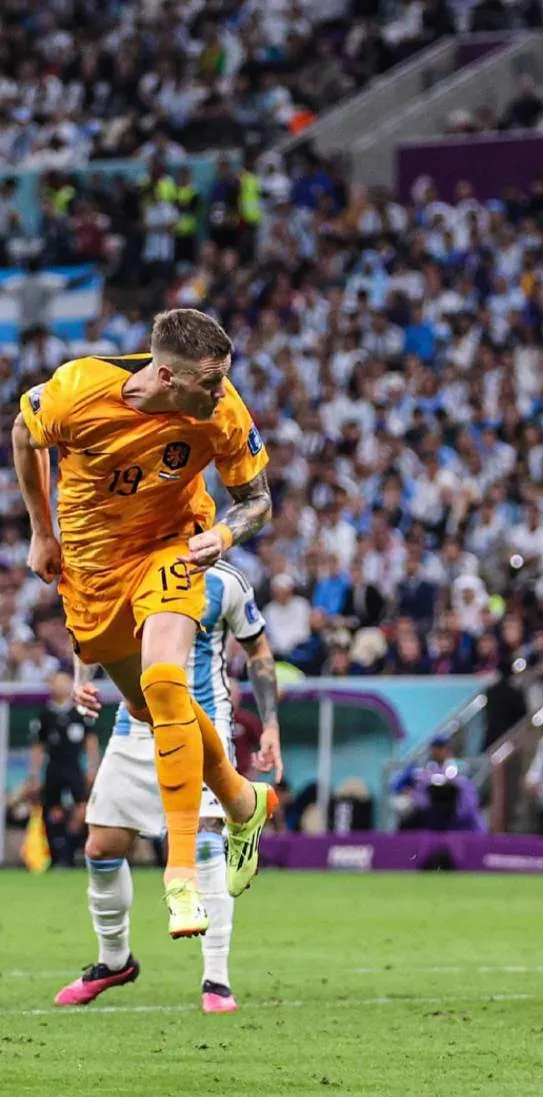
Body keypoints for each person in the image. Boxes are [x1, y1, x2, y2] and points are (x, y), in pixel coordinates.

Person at [12, 308, 278, 939]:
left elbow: (259, 500)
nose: (222, 394)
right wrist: (41, 531)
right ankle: (245, 802)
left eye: (224, 380)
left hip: (173, 546)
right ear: (165, 376)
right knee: (158, 709)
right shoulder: (79, 390)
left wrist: (222, 533)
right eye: (209, 383)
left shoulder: (223, 411)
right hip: (94, 573)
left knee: (166, 681)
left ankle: (181, 878)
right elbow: (25, 437)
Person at [54, 560, 282, 1013]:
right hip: (135, 723)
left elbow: (258, 652)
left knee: (204, 839)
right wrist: (83, 679)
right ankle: (114, 960)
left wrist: (271, 724)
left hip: (201, 723)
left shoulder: (225, 580)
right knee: (102, 846)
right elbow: (94, 623)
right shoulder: (130, 564)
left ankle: (216, 979)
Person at [29, 670, 99, 867]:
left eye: (64, 681)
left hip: (74, 767)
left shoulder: (80, 713)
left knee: (81, 809)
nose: (60, 685)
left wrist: (92, 766)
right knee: (53, 811)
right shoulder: (44, 715)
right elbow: (38, 746)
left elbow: (91, 741)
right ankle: (57, 856)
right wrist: (34, 774)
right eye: (56, 682)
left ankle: (73, 848)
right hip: (53, 768)